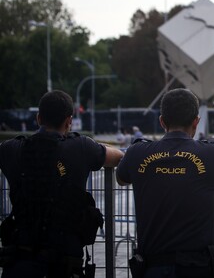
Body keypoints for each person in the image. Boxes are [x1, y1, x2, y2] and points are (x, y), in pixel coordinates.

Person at [0, 90, 123, 278]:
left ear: (38, 118)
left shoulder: (11, 150)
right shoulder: (81, 147)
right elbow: (118, 157)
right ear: (69, 121)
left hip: (19, 260)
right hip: (64, 262)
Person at [116, 88, 214, 278]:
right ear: (196, 122)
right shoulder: (213, 153)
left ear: (162, 121)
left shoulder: (137, 152)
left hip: (152, 265)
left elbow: (121, 178)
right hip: (199, 266)